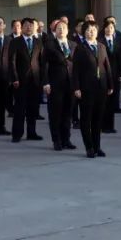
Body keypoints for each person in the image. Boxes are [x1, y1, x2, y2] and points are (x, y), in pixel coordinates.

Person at [73, 22, 112, 158]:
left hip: (101, 87)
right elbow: (75, 70)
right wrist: (76, 87)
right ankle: (89, 147)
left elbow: (107, 66)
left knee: (98, 119)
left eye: (94, 30)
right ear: (84, 32)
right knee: (86, 119)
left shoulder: (101, 46)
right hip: (86, 88)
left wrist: (110, 85)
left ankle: (97, 147)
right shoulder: (80, 48)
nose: (91, 32)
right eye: (89, 30)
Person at [8, 17, 44, 142]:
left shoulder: (38, 42)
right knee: (19, 108)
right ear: (22, 27)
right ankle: (17, 134)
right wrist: (14, 78)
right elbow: (12, 61)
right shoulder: (15, 42)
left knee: (32, 108)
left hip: (35, 80)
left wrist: (42, 79)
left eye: (31, 25)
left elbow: (41, 62)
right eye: (26, 25)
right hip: (20, 80)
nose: (29, 27)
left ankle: (31, 132)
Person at [43, 19, 77, 151]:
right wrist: (46, 82)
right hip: (55, 84)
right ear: (54, 31)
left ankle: (66, 139)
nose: (61, 30)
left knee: (68, 113)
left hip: (71, 84)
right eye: (59, 28)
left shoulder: (73, 45)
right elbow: (44, 65)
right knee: (55, 113)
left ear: (68, 31)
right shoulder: (49, 45)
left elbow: (77, 65)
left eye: (63, 28)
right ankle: (56, 140)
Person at [101, 21, 120, 133]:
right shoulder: (100, 41)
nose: (109, 30)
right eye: (107, 28)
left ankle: (111, 126)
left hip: (115, 74)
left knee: (113, 101)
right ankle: (103, 126)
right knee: (105, 101)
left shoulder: (117, 41)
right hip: (104, 74)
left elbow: (120, 58)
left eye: (111, 28)